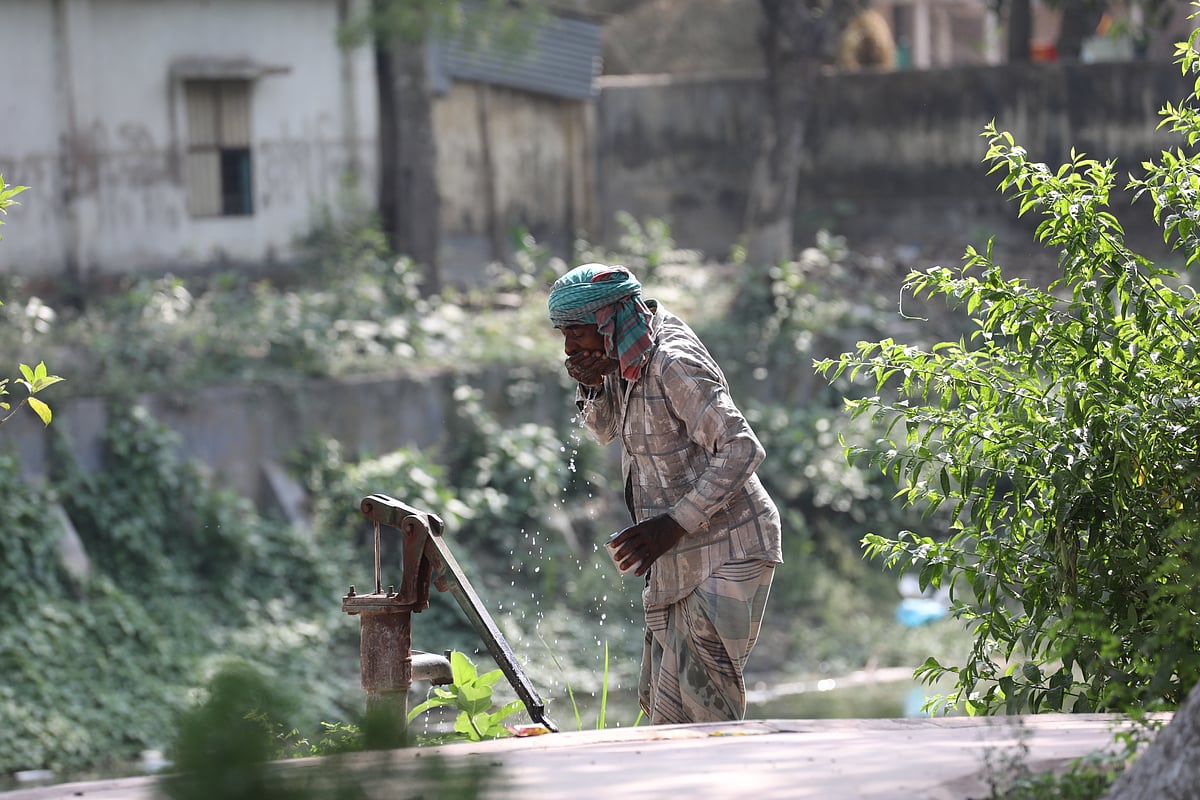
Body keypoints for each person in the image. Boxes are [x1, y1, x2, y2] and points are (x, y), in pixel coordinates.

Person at [547, 262, 783, 725]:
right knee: (666, 713)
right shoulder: (625, 348)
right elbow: (605, 429)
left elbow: (741, 448)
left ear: (609, 320)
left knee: (705, 711)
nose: (569, 346)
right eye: (563, 334)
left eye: (575, 332)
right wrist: (591, 384)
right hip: (679, 554)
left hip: (729, 549)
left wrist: (672, 525)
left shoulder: (672, 361)